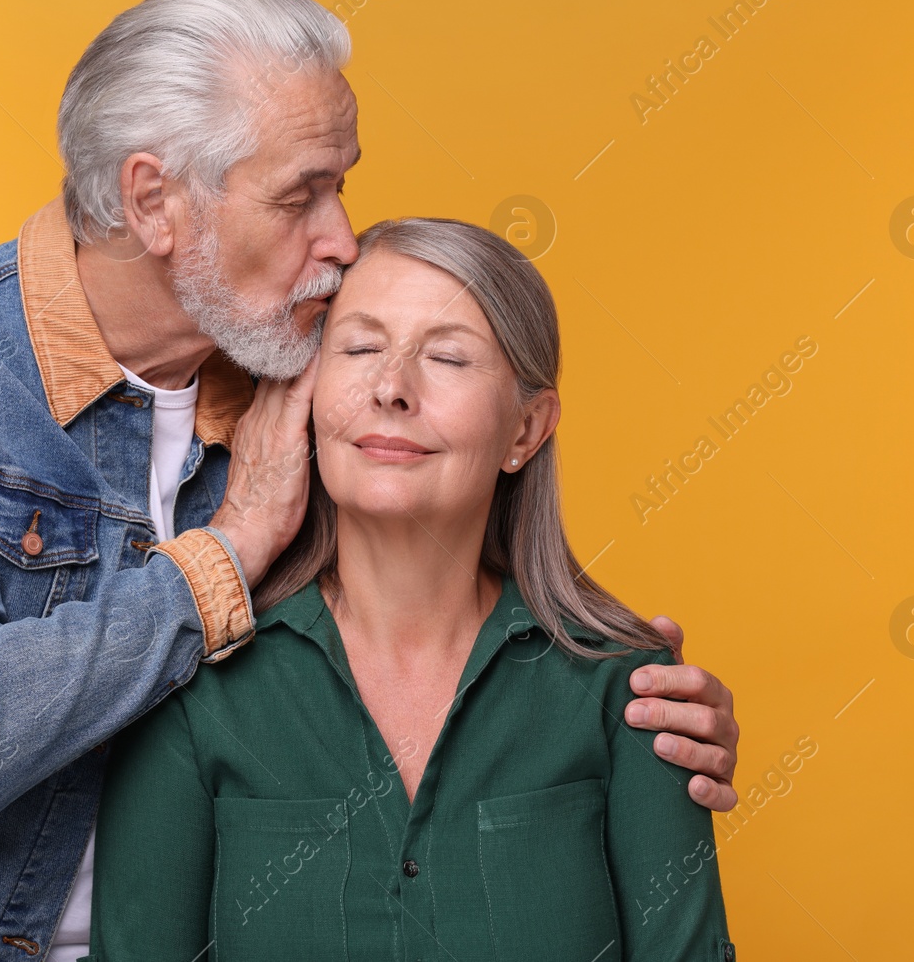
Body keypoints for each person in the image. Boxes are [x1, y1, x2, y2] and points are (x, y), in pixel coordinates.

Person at [0, 0, 739, 962]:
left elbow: (443, 541)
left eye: (342, 184)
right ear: (154, 201)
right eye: (304, 194)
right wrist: (232, 544)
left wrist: (626, 715)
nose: (340, 239)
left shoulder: (302, 373)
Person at [85, 218, 734, 961]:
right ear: (304, 395)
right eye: (359, 348)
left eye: (449, 357)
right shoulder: (193, 685)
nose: (391, 387)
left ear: (526, 429)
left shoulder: (634, 693)